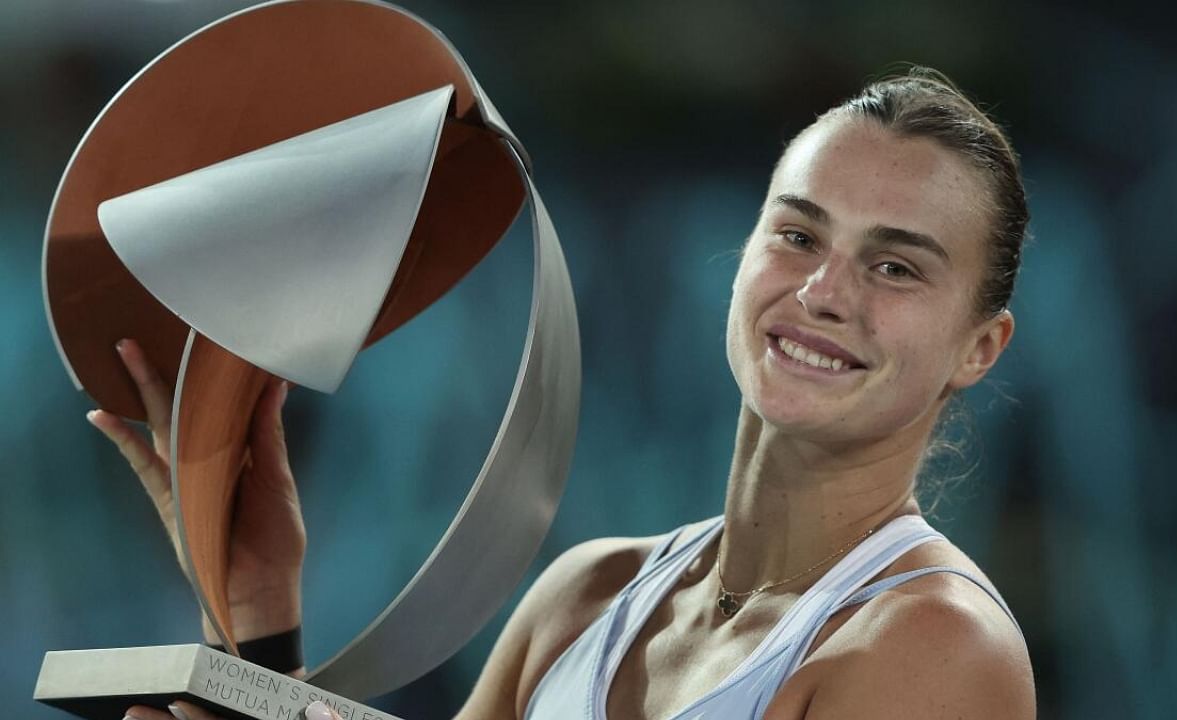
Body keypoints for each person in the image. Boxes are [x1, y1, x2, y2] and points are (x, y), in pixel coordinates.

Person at [92, 68, 1036, 720]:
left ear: (979, 349)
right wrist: (260, 617)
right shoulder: (586, 596)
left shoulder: (939, 648)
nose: (825, 293)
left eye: (897, 268)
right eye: (797, 236)